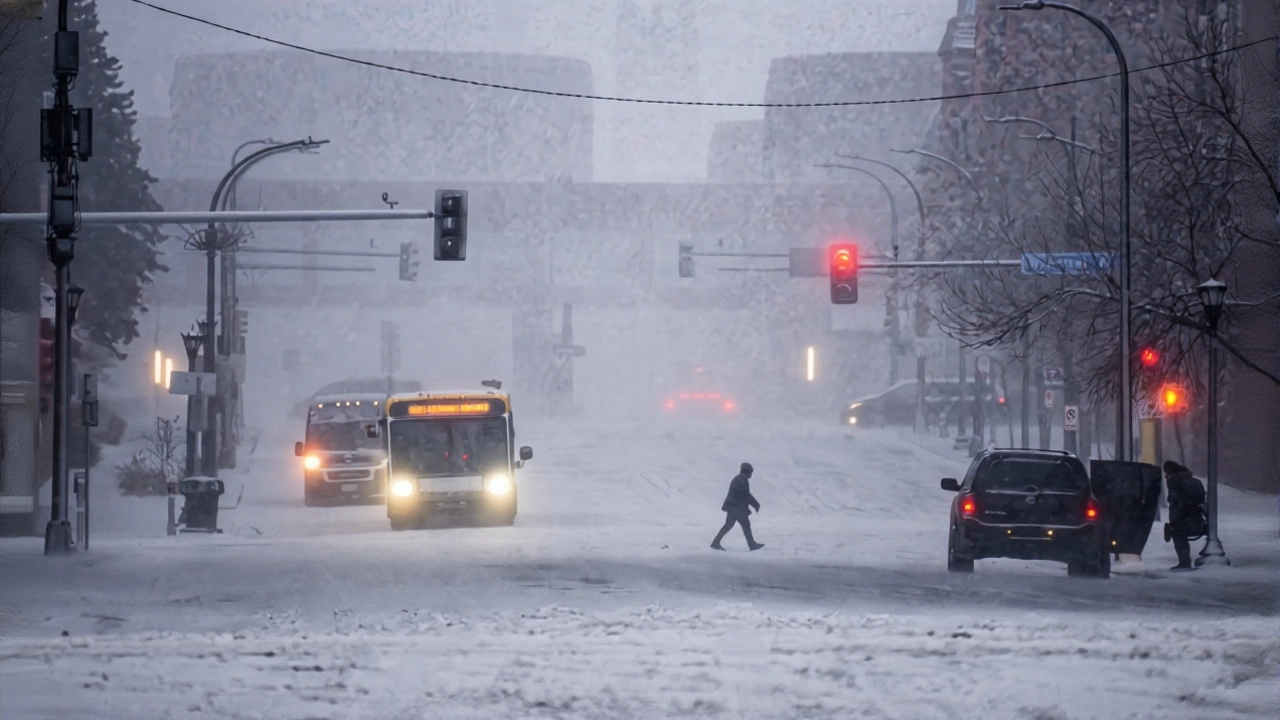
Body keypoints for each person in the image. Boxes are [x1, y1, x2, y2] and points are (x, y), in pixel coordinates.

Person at [1163, 461, 1206, 572]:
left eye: (1166, 473)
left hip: (1185, 520)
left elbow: (1177, 504)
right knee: (1179, 536)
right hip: (1195, 519)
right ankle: (1184, 562)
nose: (1166, 476)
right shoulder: (1195, 482)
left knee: (1179, 537)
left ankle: (1184, 562)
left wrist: (1174, 523)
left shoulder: (1176, 483)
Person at [711, 462, 764, 551]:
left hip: (734, 507)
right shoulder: (741, 480)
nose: (751, 474)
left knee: (728, 525)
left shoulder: (740, 479)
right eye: (751, 472)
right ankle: (752, 545)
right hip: (736, 507)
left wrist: (754, 504)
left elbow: (745, 495)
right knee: (746, 525)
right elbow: (745, 495)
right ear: (747, 471)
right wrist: (755, 504)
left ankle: (715, 542)